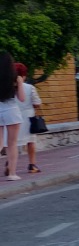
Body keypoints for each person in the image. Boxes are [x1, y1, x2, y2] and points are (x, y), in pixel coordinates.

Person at [0, 51, 26, 180]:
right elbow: (22, 98)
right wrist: (20, 83)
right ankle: (12, 173)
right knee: (12, 144)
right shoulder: (15, 78)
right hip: (11, 110)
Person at [14, 63, 42, 174]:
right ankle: (32, 165)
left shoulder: (7, 88)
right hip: (28, 118)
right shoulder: (30, 88)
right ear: (24, 75)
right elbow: (37, 103)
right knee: (30, 142)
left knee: (13, 143)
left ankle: (9, 164)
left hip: (13, 117)